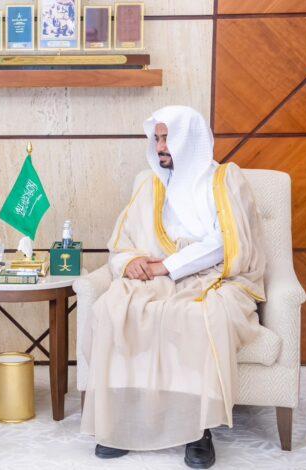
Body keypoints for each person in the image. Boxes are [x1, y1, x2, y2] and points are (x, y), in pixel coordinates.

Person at [80, 106, 269, 469]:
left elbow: (225, 243)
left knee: (199, 318)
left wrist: (166, 266)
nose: (160, 147)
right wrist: (130, 261)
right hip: (157, 277)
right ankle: (119, 423)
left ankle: (199, 431)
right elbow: (124, 239)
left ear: (189, 139)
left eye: (167, 138)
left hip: (216, 276)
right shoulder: (152, 184)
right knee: (112, 308)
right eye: (158, 138)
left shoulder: (224, 180)